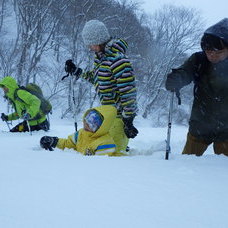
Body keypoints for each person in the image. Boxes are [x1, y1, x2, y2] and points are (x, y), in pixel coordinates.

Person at [64, 19, 138, 153]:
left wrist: (128, 120)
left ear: (99, 41)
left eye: (91, 44)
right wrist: (77, 71)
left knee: (110, 155)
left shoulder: (118, 61)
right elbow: (96, 78)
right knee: (98, 152)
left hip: (119, 118)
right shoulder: (101, 59)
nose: (89, 47)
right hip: (106, 117)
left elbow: (128, 93)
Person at [165, 18, 228, 156]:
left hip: (227, 131)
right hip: (200, 125)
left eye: (217, 52)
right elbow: (185, 72)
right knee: (187, 164)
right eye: (208, 51)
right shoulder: (199, 60)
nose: (212, 55)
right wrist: (176, 79)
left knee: (222, 172)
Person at [40, 105, 126, 156]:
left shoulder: (106, 143)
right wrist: (54, 141)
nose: (85, 124)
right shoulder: (80, 133)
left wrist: (89, 159)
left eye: (91, 124)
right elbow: (68, 144)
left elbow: (102, 164)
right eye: (86, 120)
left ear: (100, 128)